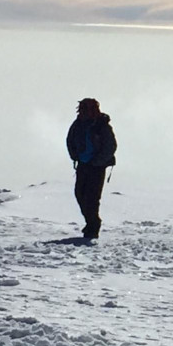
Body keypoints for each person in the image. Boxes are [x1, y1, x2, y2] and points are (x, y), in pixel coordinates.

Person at [67, 98, 117, 240]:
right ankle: (92, 223)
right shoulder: (78, 124)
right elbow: (70, 140)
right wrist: (75, 155)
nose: (82, 111)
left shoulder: (102, 126)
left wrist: (97, 161)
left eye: (85, 109)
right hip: (83, 164)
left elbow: (110, 146)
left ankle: (93, 227)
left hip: (97, 167)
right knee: (80, 194)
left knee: (92, 198)